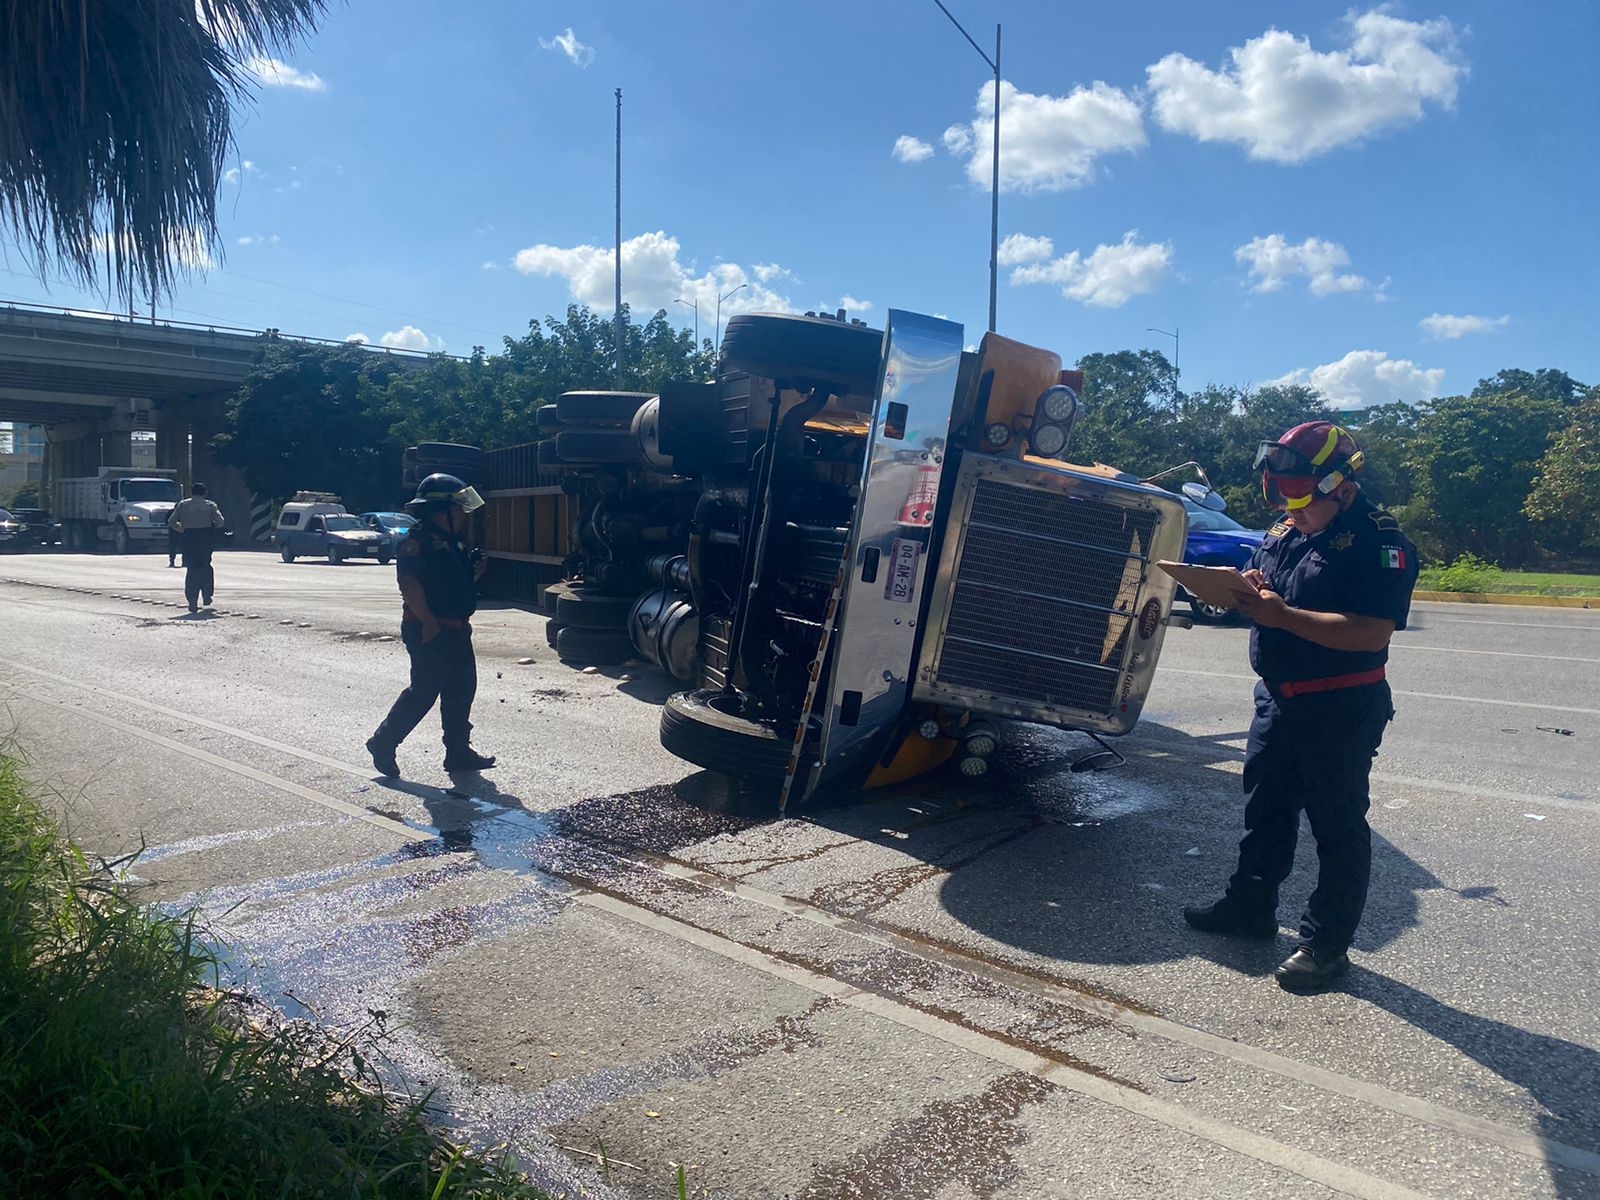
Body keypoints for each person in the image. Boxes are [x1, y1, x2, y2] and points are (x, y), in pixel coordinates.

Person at [1183, 421, 1419, 993]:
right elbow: (1277, 591)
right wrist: (1248, 589)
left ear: (1341, 486)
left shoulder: (1380, 542)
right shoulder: (1286, 528)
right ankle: (1251, 909)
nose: (1294, 511)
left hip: (1340, 707)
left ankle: (1325, 945)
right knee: (1265, 810)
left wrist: (1280, 615)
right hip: (1277, 700)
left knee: (1336, 827)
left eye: (1303, 501)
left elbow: (1369, 632)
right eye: (1284, 499)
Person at [366, 473, 496, 778]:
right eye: (458, 509)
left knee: (461, 691)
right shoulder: (418, 541)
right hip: (430, 629)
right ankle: (383, 742)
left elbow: (453, 586)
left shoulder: (452, 542)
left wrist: (476, 573)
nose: (463, 515)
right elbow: (409, 584)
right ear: (442, 511)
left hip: (457, 628)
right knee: (424, 691)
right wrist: (427, 622)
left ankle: (458, 753)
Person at [168, 482, 226, 613]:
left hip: (189, 538)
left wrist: (182, 529)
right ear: (204, 493)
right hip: (206, 538)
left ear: (191, 492)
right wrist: (211, 529)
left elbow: (171, 522)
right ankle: (207, 594)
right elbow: (220, 522)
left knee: (192, 568)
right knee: (206, 566)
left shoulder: (183, 504)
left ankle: (192, 600)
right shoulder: (210, 505)